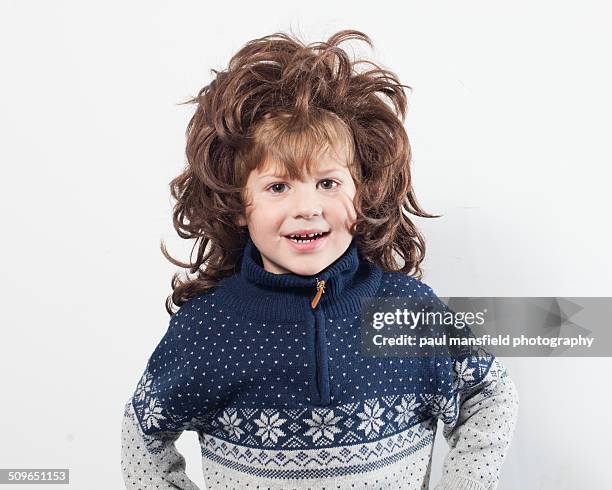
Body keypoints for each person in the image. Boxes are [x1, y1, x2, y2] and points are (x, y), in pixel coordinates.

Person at [120, 29, 519, 490]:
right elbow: (143, 430)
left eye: (327, 183)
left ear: (362, 191)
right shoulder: (207, 329)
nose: (306, 206)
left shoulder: (407, 312)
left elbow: (489, 394)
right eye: (277, 186)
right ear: (237, 203)